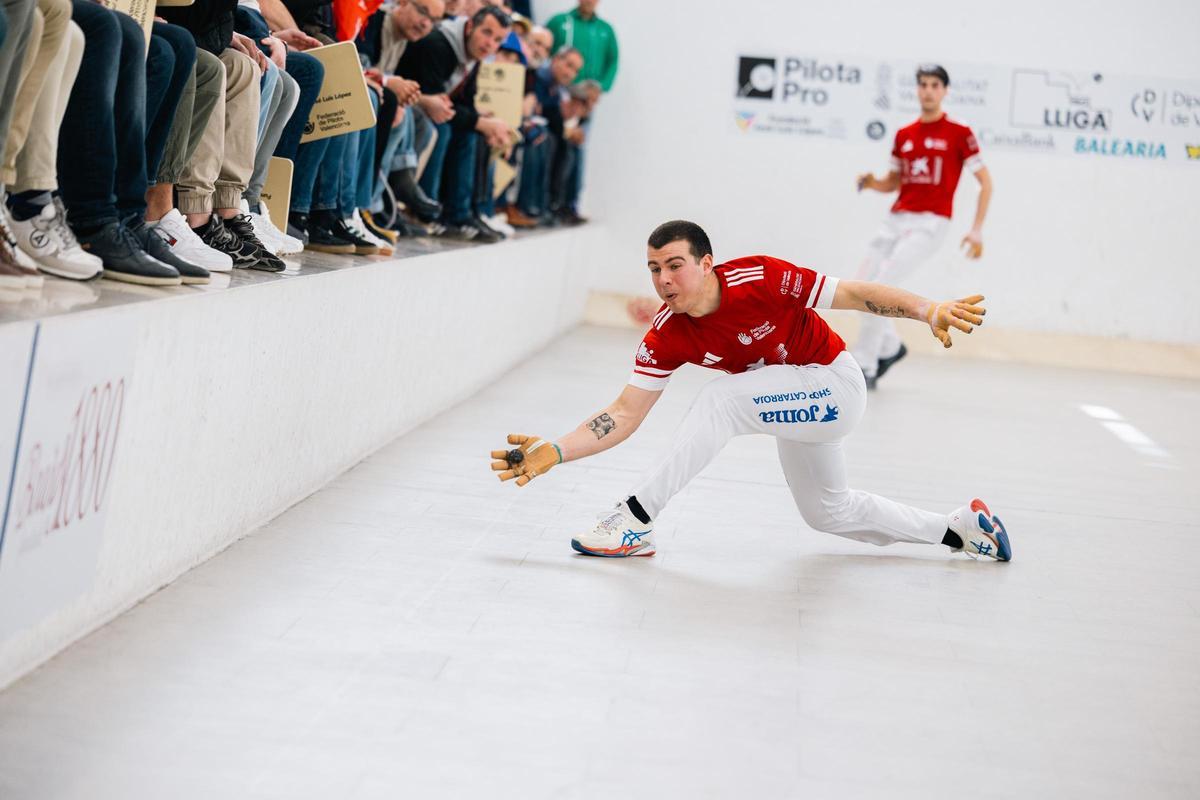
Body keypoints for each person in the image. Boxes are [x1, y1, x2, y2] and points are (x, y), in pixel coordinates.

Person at [488, 220, 1012, 563]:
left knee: (722, 399)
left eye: (675, 264)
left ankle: (632, 520)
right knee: (827, 511)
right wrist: (555, 451)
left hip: (832, 384)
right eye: (654, 269)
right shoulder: (667, 334)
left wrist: (928, 310)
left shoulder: (762, 279)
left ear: (707, 262)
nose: (664, 279)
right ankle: (961, 529)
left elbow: (853, 293)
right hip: (794, 404)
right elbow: (624, 413)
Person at [853, 64, 993, 389]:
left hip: (931, 222)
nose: (928, 90)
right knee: (860, 284)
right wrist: (873, 183)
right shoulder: (904, 134)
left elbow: (985, 182)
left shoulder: (959, 133)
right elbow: (893, 181)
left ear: (944, 91)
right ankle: (890, 346)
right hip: (896, 217)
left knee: (882, 284)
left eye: (934, 85)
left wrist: (977, 229)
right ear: (917, 90)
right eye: (923, 85)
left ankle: (865, 364)